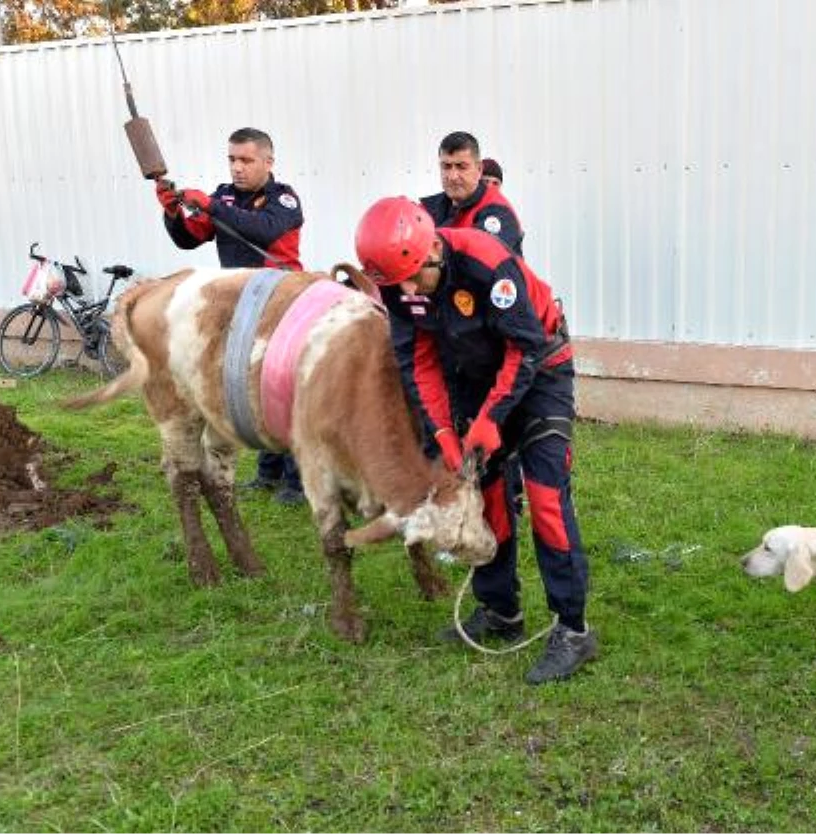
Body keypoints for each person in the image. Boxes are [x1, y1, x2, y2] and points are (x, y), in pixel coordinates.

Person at [355, 196, 595, 685]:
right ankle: (500, 611)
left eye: (412, 277)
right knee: (485, 496)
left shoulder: (487, 262)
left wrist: (491, 420)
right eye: (392, 284)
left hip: (539, 369)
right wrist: (444, 430)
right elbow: (418, 359)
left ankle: (573, 630)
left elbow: (525, 345)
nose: (404, 290)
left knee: (547, 498)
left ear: (431, 252)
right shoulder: (395, 283)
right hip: (476, 379)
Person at [154, 127, 306, 506]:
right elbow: (190, 237)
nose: (237, 168)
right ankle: (268, 474)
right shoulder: (223, 196)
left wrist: (211, 205)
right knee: (254, 390)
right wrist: (173, 212)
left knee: (283, 388)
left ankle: (296, 481)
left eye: (246, 160)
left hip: (281, 304)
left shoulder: (283, 200)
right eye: (232, 160)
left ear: (268, 162)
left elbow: (265, 230)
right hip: (242, 303)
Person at [421, 131, 524, 255]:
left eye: (461, 167)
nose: (453, 176)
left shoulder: (498, 212)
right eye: (446, 166)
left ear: (479, 169)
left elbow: (477, 260)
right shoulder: (428, 209)